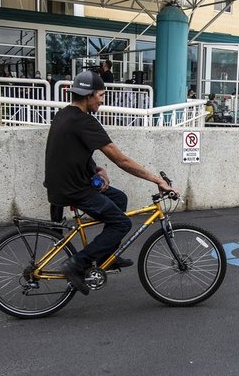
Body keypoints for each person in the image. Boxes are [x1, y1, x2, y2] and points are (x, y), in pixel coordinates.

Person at [44, 70, 174, 295]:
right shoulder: (85, 121)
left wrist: (95, 169)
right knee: (122, 223)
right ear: (89, 95)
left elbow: (70, 150)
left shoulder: (65, 114)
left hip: (62, 184)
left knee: (119, 198)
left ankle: (105, 255)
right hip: (74, 189)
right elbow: (121, 160)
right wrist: (157, 180)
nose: (102, 101)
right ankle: (76, 264)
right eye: (101, 95)